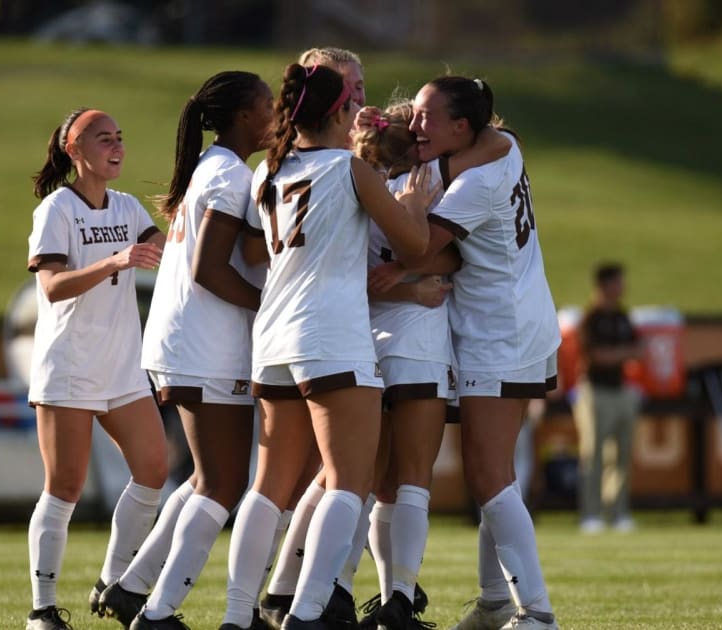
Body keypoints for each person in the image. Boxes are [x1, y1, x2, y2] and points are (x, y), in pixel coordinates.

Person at [221, 62, 434, 630]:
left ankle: (236, 616)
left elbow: (260, 250)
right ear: (340, 112)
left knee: (268, 487)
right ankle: (307, 611)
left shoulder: (269, 170)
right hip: (331, 335)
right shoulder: (349, 168)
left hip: (273, 335)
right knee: (348, 482)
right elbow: (414, 245)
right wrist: (414, 203)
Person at [375, 76, 561, 630]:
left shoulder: (470, 184)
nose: (414, 124)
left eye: (426, 116)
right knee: (494, 473)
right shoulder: (499, 148)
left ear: (462, 127)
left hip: (498, 334)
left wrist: (397, 254)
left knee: (488, 475)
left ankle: (537, 612)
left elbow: (419, 244)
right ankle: (497, 601)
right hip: (518, 321)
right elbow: (503, 138)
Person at [92, 71, 275, 630]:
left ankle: (131, 589)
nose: (276, 114)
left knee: (203, 480)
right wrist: (269, 305)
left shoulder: (210, 168)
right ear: (244, 116)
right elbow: (208, 269)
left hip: (184, 341)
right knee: (223, 485)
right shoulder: (228, 174)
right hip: (204, 344)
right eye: (268, 105)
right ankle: (157, 613)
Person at [24, 107, 169, 630]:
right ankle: (42, 610)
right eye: (103, 138)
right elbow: (51, 287)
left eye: (120, 137)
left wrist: (187, 222)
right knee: (65, 485)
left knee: (154, 470)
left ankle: (111, 583)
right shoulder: (57, 209)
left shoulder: (127, 206)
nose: (117, 146)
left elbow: (166, 249)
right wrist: (115, 260)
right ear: (75, 150)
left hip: (122, 366)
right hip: (70, 366)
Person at [573, 263, 641, 534]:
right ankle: (590, 514)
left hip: (620, 389)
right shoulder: (591, 318)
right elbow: (596, 356)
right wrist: (624, 353)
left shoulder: (623, 316)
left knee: (622, 455)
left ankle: (618, 512)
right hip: (595, 391)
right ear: (604, 285)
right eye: (617, 282)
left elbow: (638, 350)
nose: (622, 287)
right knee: (593, 455)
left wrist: (620, 354)